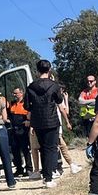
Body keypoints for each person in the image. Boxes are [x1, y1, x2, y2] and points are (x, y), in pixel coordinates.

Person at [24, 59, 65, 187]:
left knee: (42, 149)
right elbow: (59, 100)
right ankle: (49, 176)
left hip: (38, 121)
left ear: (37, 71)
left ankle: (46, 176)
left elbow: (26, 106)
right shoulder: (54, 85)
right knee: (51, 148)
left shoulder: (31, 87)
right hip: (52, 119)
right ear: (49, 70)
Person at [8, 87, 33, 178]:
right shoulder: (12, 104)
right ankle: (19, 169)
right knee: (15, 150)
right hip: (14, 130)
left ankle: (29, 168)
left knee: (25, 150)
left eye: (16, 93)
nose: (14, 95)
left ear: (21, 93)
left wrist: (28, 121)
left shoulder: (26, 104)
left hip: (23, 129)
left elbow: (30, 114)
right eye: (13, 93)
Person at [77, 75, 98, 141]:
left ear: (95, 82)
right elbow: (80, 101)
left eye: (91, 81)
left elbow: (97, 102)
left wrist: (85, 102)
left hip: (96, 118)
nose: (89, 83)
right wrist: (91, 101)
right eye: (88, 81)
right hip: (86, 118)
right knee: (89, 138)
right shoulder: (84, 91)